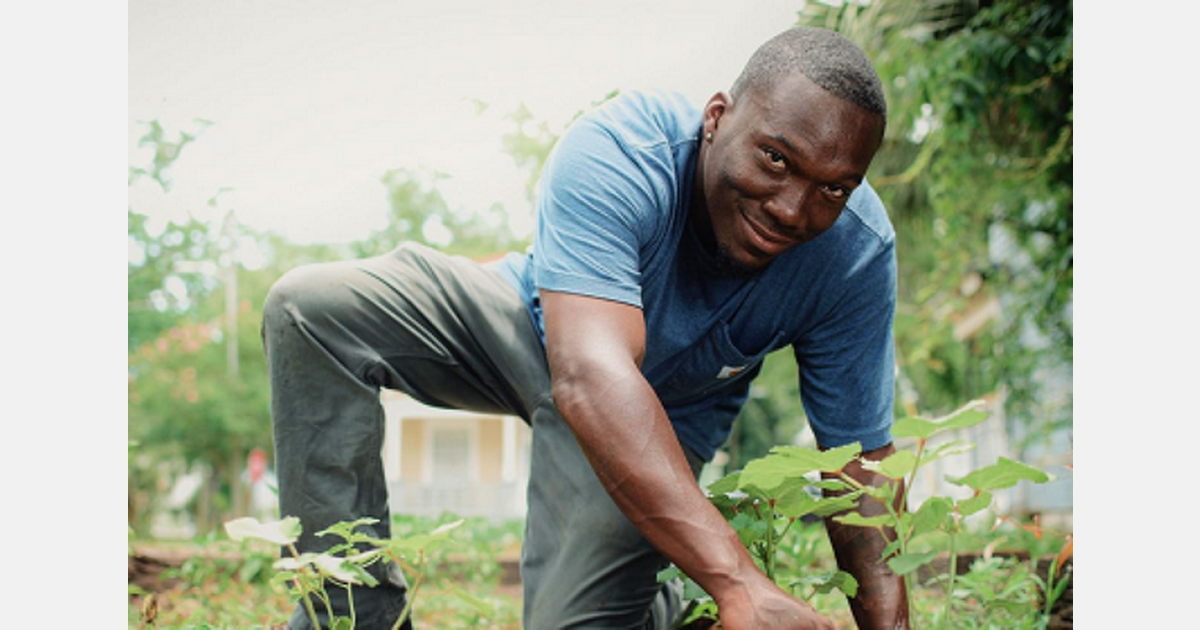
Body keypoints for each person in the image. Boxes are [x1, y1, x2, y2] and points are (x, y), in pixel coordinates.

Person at [262, 26, 908, 629]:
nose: (793, 209)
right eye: (775, 159)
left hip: (660, 418)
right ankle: (354, 613)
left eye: (833, 189)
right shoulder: (625, 150)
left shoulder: (854, 255)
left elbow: (861, 467)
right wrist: (737, 580)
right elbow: (591, 375)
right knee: (312, 309)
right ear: (717, 118)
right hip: (529, 322)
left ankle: (657, 598)